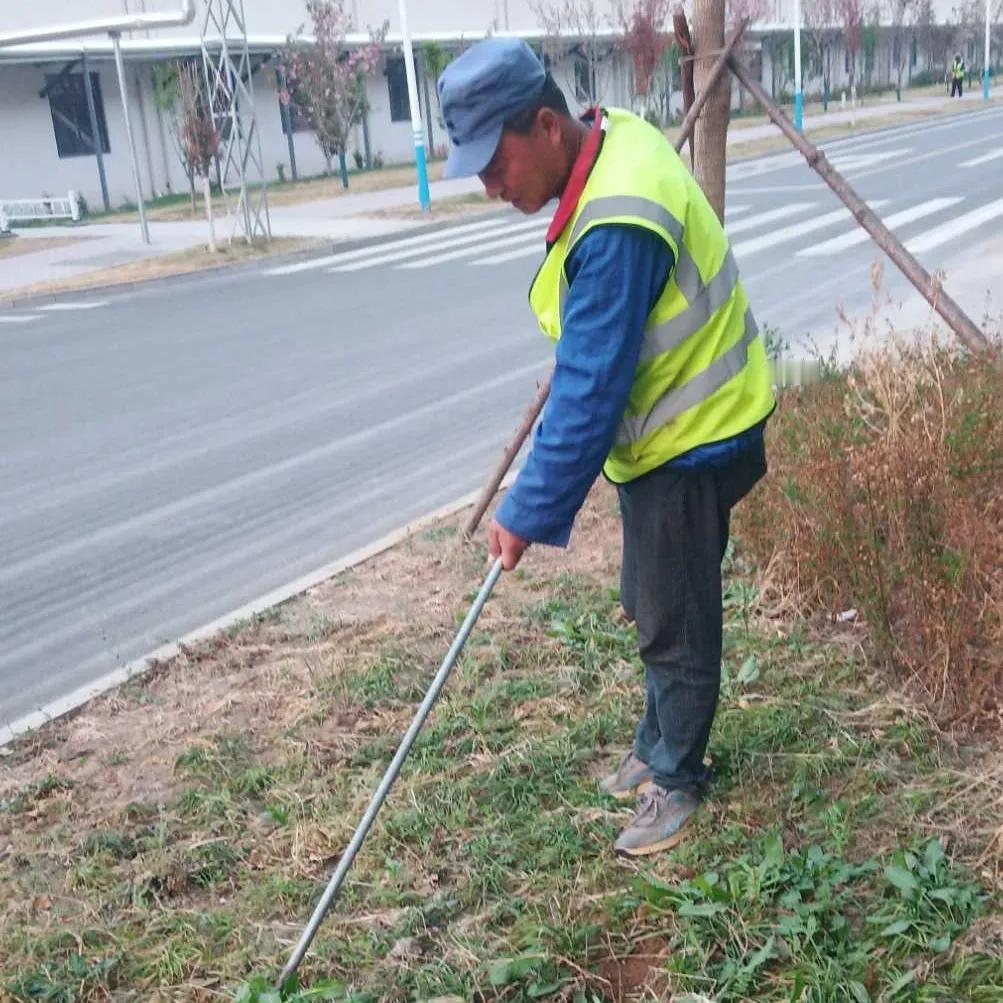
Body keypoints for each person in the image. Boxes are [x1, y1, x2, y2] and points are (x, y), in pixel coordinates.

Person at [437, 38, 774, 857]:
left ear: (546, 126)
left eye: (495, 164)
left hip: (694, 435)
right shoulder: (606, 140)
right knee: (647, 593)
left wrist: (525, 510)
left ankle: (676, 775)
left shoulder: (618, 217)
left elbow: (589, 390)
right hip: (668, 433)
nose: (489, 187)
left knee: (674, 614)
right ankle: (656, 738)